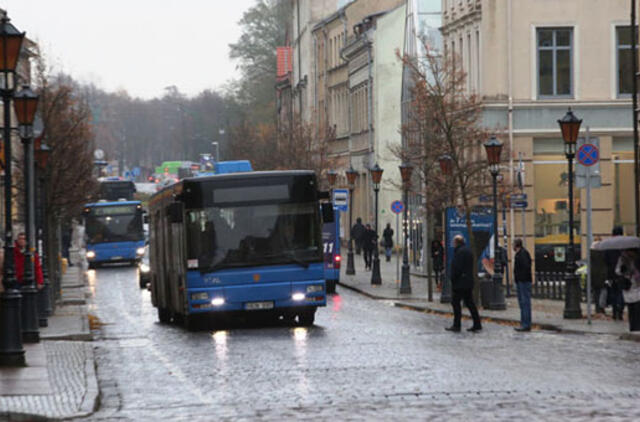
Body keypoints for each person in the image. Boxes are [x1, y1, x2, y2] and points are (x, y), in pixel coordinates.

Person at [446, 235, 482, 332]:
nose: (453, 244)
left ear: (457, 242)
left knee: (456, 303)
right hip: (468, 282)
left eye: (454, 242)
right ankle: (477, 323)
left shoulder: (459, 252)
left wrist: (453, 278)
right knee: (470, 303)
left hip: (460, 283)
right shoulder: (468, 251)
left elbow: (457, 268)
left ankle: (457, 325)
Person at [616, 249, 640, 331]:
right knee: (632, 308)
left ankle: (635, 327)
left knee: (636, 308)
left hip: (636, 286)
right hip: (628, 285)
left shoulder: (636, 259)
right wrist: (623, 271)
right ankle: (633, 327)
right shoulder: (622, 259)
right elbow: (618, 271)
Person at [605, 226, 625, 320]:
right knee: (621, 292)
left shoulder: (609, 245)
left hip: (611, 273)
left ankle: (614, 312)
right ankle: (620, 311)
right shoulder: (625, 244)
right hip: (623, 273)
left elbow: (605, 260)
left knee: (613, 292)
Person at [513, 238, 532, 332]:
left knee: (525, 303)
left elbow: (526, 267)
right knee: (522, 303)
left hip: (523, 281)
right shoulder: (520, 253)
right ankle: (524, 323)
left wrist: (520, 277)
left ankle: (526, 324)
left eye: (513, 244)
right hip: (521, 281)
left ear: (516, 245)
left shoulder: (523, 254)